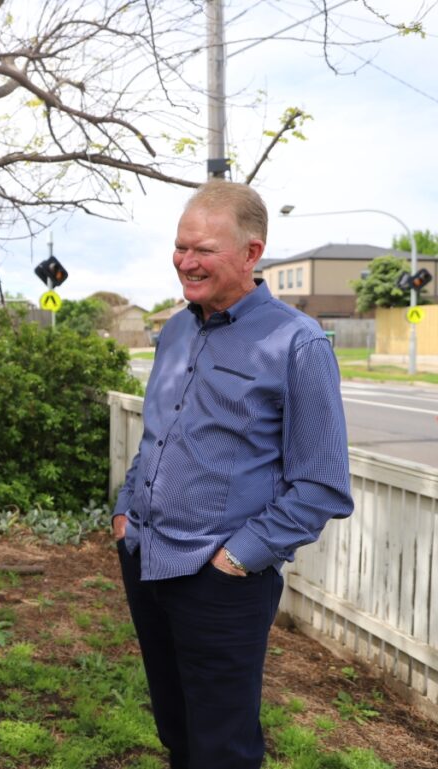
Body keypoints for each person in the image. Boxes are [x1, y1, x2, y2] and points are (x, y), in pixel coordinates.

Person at [111, 180, 354, 769]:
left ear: (251, 253)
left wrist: (235, 560)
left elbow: (320, 485)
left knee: (224, 749)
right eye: (180, 247)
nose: (186, 262)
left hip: (219, 581)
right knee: (176, 730)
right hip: (145, 557)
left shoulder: (297, 344)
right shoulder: (174, 330)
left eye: (204, 250)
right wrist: (124, 514)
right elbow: (158, 436)